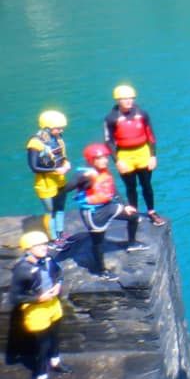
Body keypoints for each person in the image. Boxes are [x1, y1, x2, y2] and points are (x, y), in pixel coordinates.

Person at [59, 143, 147, 278]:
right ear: (91, 160)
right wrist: (60, 176)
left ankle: (132, 243)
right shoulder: (84, 175)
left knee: (133, 216)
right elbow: (64, 190)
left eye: (105, 157)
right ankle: (101, 270)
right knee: (98, 241)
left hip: (109, 206)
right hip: (94, 213)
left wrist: (125, 204)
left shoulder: (104, 171)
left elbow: (112, 189)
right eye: (100, 158)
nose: (105, 160)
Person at [9, 231, 72, 379]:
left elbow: (58, 273)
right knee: (42, 345)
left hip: (52, 303)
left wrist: (58, 283)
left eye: (45, 244)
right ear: (29, 249)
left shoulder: (49, 260)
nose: (44, 247)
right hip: (36, 310)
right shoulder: (22, 269)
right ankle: (41, 377)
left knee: (55, 336)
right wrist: (38, 298)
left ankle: (55, 361)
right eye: (39, 245)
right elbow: (15, 297)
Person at [104, 85, 166, 227]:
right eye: (125, 99)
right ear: (118, 100)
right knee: (130, 186)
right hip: (125, 154)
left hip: (142, 152)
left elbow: (150, 135)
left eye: (131, 98)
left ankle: (151, 211)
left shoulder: (142, 114)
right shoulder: (111, 118)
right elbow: (109, 141)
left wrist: (153, 156)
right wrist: (117, 161)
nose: (128, 101)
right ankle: (134, 212)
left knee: (146, 185)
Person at [26, 110, 72, 246]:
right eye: (58, 128)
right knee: (51, 211)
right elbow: (34, 167)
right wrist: (55, 169)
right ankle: (53, 238)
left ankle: (60, 232)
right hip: (45, 182)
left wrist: (66, 163)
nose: (61, 130)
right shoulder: (35, 143)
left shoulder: (58, 138)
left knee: (60, 207)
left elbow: (61, 156)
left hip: (59, 179)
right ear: (47, 127)